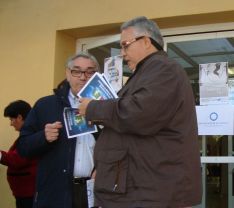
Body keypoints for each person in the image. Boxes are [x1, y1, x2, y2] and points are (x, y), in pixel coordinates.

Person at [79, 16, 202, 208]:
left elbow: (138, 114)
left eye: (125, 45)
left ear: (146, 41)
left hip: (149, 190)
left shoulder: (164, 69)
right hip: (140, 188)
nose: (122, 53)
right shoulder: (148, 73)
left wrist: (93, 108)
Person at [17, 52, 100, 208]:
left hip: (93, 191)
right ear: (67, 73)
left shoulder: (107, 107)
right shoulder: (45, 105)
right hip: (55, 193)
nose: (83, 77)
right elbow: (23, 147)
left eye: (90, 72)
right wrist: (43, 137)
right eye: (76, 71)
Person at [0, 100, 37, 208]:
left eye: (12, 119)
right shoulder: (28, 135)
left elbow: (17, 159)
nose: (11, 124)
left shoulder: (31, 136)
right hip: (24, 194)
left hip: (29, 195)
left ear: (20, 117)